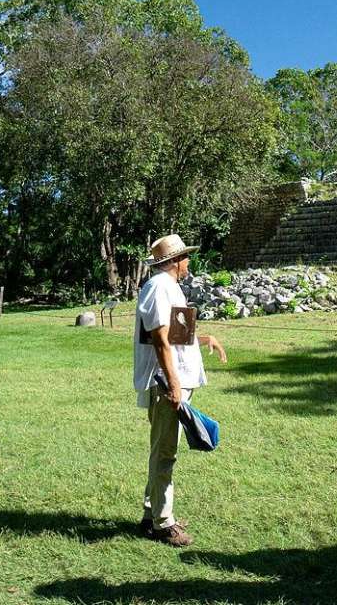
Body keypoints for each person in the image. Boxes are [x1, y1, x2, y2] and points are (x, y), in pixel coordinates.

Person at [134, 234, 227, 547]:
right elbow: (159, 338)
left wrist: (204, 339)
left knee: (163, 449)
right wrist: (173, 384)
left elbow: (176, 336)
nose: (189, 261)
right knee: (165, 453)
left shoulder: (169, 287)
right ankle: (162, 523)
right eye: (185, 256)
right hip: (166, 383)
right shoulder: (159, 286)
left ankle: (153, 513)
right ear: (174, 261)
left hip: (174, 381)